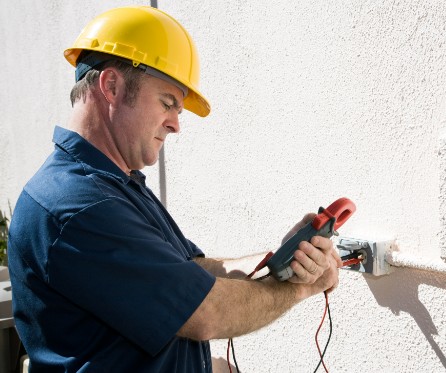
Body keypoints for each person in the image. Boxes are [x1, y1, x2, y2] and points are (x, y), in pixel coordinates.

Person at [8, 6, 342, 372]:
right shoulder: (75, 205)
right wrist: (301, 288)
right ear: (112, 86)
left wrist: (280, 259)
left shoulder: (115, 184)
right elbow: (205, 313)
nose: (176, 125)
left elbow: (190, 271)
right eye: (168, 103)